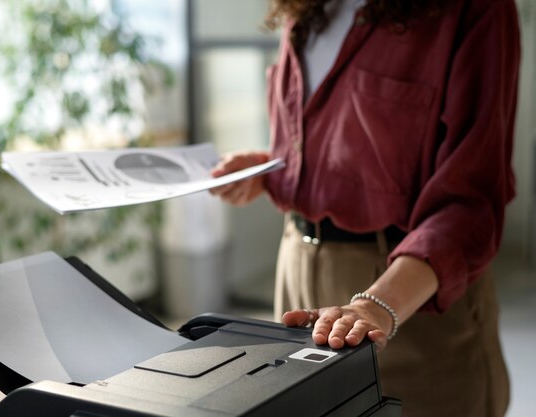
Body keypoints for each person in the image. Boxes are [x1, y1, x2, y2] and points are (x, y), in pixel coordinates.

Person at [209, 0, 521, 416]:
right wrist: (274, 170)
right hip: (297, 274)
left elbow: (469, 201)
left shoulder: (474, 10)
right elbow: (354, 137)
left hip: (406, 298)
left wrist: (375, 306)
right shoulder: (304, 8)